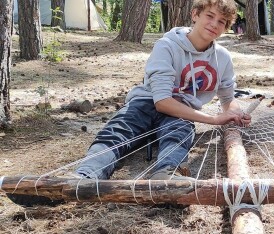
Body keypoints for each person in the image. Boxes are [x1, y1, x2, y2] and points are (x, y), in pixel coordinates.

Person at [75, 0, 250, 180]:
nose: (214, 24)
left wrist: (236, 113)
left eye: (221, 21)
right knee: (116, 133)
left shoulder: (223, 58)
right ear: (195, 14)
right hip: (145, 103)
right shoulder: (166, 45)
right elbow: (162, 102)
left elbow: (228, 98)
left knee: (178, 137)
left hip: (182, 112)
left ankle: (167, 177)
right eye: (210, 16)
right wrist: (214, 119)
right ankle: (84, 176)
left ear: (226, 27)